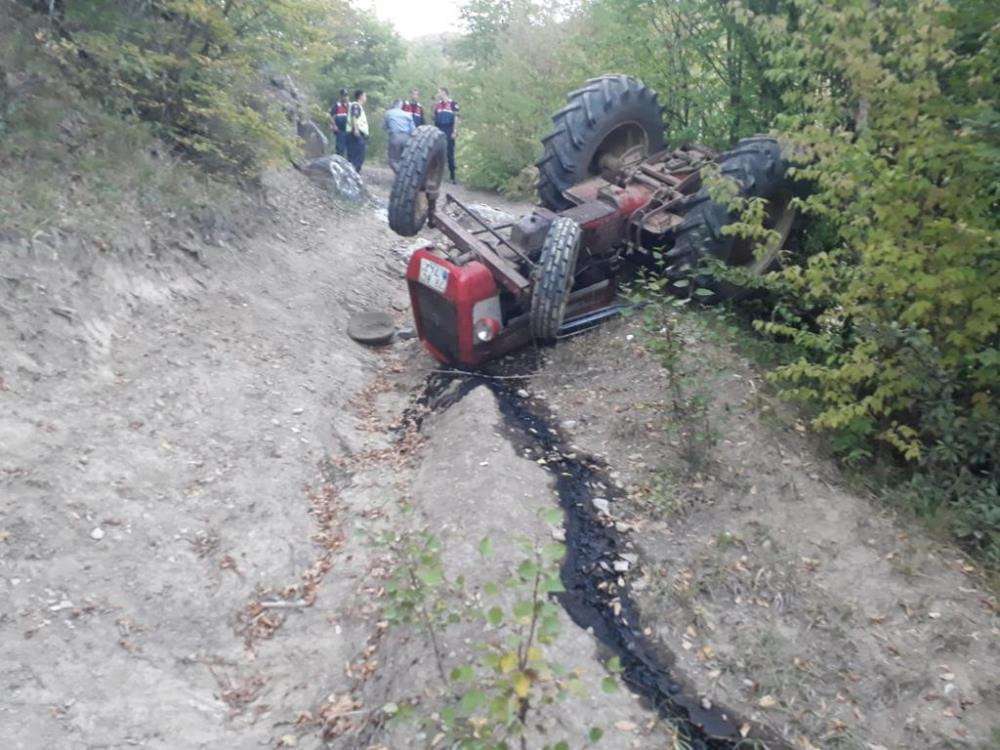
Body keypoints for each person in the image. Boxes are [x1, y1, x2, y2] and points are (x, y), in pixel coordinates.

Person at [433, 86, 459, 183]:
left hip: (449, 129)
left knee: (450, 152)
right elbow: (435, 118)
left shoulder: (453, 104)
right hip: (439, 129)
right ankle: (435, 175)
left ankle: (453, 176)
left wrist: (455, 131)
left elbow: (456, 118)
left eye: (439, 92)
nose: (438, 94)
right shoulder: (438, 105)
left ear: (444, 92)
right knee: (436, 151)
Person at [383, 99, 415, 173]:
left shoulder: (388, 113)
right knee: (404, 160)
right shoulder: (408, 114)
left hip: (395, 137)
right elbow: (413, 130)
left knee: (393, 160)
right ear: (401, 106)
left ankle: (400, 174)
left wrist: (389, 130)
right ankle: (405, 176)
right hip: (407, 139)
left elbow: (384, 127)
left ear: (393, 104)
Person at [346, 89, 369, 174]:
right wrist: (355, 129)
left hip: (357, 133)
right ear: (360, 96)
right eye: (365, 96)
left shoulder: (358, 106)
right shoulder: (356, 105)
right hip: (355, 134)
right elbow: (354, 117)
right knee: (358, 155)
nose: (366, 98)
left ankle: (353, 173)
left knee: (357, 155)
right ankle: (353, 173)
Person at [329, 88, 350, 157]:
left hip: (348, 129)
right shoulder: (337, 105)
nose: (345, 97)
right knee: (340, 146)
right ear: (341, 96)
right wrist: (334, 126)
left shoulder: (350, 105)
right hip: (339, 129)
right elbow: (331, 116)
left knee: (348, 146)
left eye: (346, 96)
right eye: (344, 96)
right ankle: (339, 158)